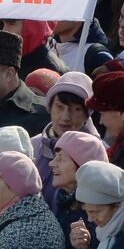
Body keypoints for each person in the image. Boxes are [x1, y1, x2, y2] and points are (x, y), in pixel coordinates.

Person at [30, 71, 99, 208]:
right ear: (49, 107)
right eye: (60, 107)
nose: (66, 116)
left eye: (76, 109)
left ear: (87, 115)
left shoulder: (98, 157)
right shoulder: (32, 146)